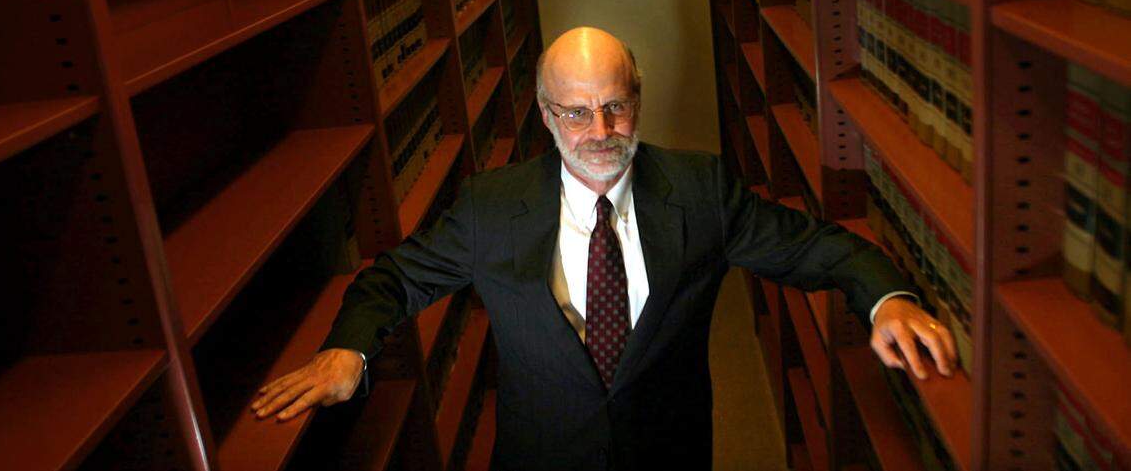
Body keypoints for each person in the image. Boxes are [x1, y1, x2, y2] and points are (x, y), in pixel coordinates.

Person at [251, 27, 956, 471]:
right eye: (576, 111)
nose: (599, 130)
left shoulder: (701, 191)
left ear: (637, 99)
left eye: (615, 105)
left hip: (670, 453)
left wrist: (888, 300)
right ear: (545, 113)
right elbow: (393, 279)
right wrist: (348, 350)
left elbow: (821, 248)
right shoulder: (491, 207)